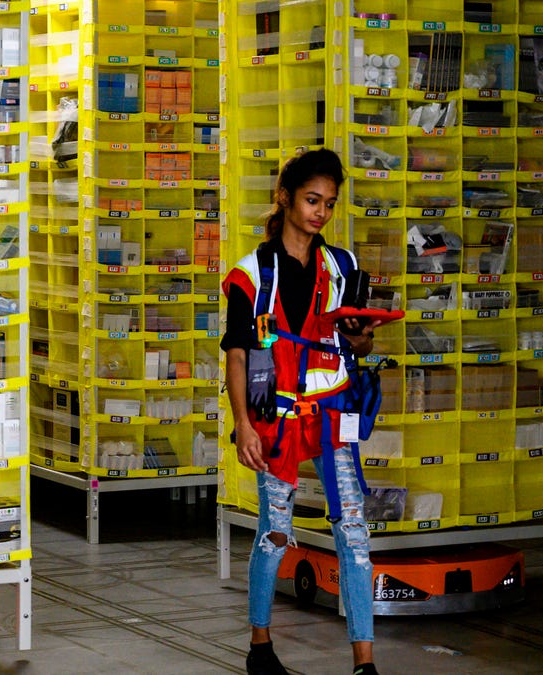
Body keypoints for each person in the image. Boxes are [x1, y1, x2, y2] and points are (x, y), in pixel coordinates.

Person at [221, 148, 383, 675]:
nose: (321, 212)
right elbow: (238, 353)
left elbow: (353, 348)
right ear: (286, 197)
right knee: (275, 532)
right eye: (313, 200)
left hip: (332, 415)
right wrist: (243, 424)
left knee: (354, 532)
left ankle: (365, 664)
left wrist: (360, 339)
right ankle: (260, 647)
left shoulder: (343, 267)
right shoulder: (251, 275)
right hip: (277, 422)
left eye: (330, 204)